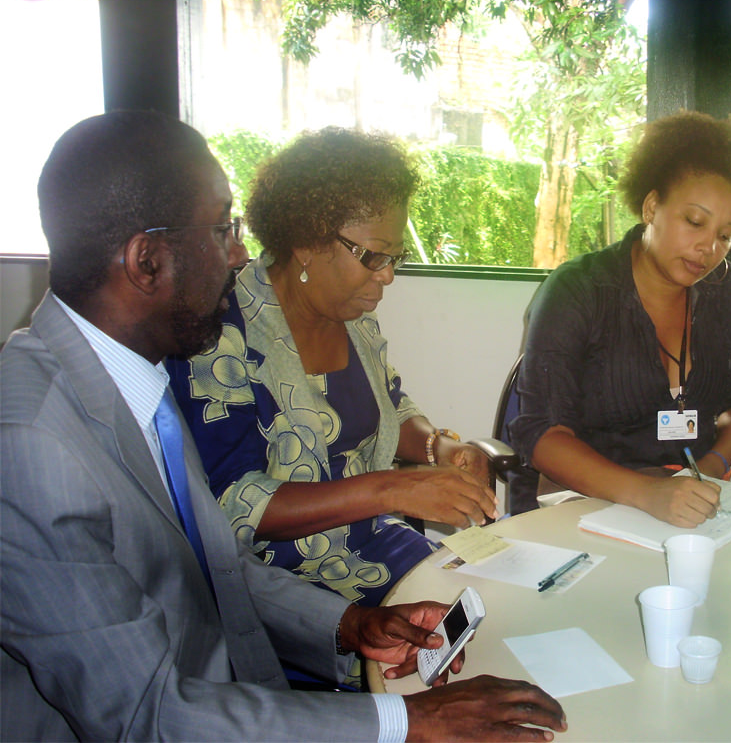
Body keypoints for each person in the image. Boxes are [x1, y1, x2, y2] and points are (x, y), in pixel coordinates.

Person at [0, 110, 567, 742]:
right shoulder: (32, 446)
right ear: (147, 261)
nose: (240, 253)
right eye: (222, 230)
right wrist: (407, 722)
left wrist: (351, 627)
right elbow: (148, 716)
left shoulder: (136, 381)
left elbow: (219, 566)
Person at [166, 128, 497, 608]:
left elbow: (391, 406)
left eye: (395, 257)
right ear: (307, 242)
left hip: (371, 543)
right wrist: (392, 489)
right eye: (373, 256)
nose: (387, 275)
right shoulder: (219, 332)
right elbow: (233, 503)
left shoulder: (353, 316)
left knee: (498, 600)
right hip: (280, 585)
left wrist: (439, 448)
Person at [510, 111, 731, 522]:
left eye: (725, 234)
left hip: (693, 489)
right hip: (587, 497)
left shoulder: (725, 291)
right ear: (651, 207)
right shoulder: (579, 290)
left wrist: (710, 468)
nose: (709, 248)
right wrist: (649, 493)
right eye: (695, 222)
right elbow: (544, 436)